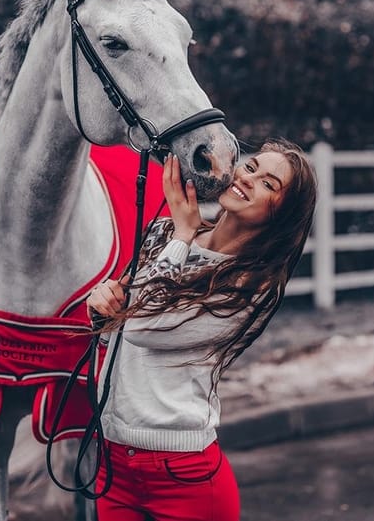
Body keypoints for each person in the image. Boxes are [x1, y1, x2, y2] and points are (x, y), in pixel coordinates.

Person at [86, 137, 317, 521]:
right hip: (113, 463)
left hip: (183, 477)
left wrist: (183, 236)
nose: (248, 177)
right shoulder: (162, 233)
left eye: (268, 184)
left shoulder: (250, 287)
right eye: (251, 166)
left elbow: (143, 328)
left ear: (282, 215)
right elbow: (118, 332)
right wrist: (101, 305)